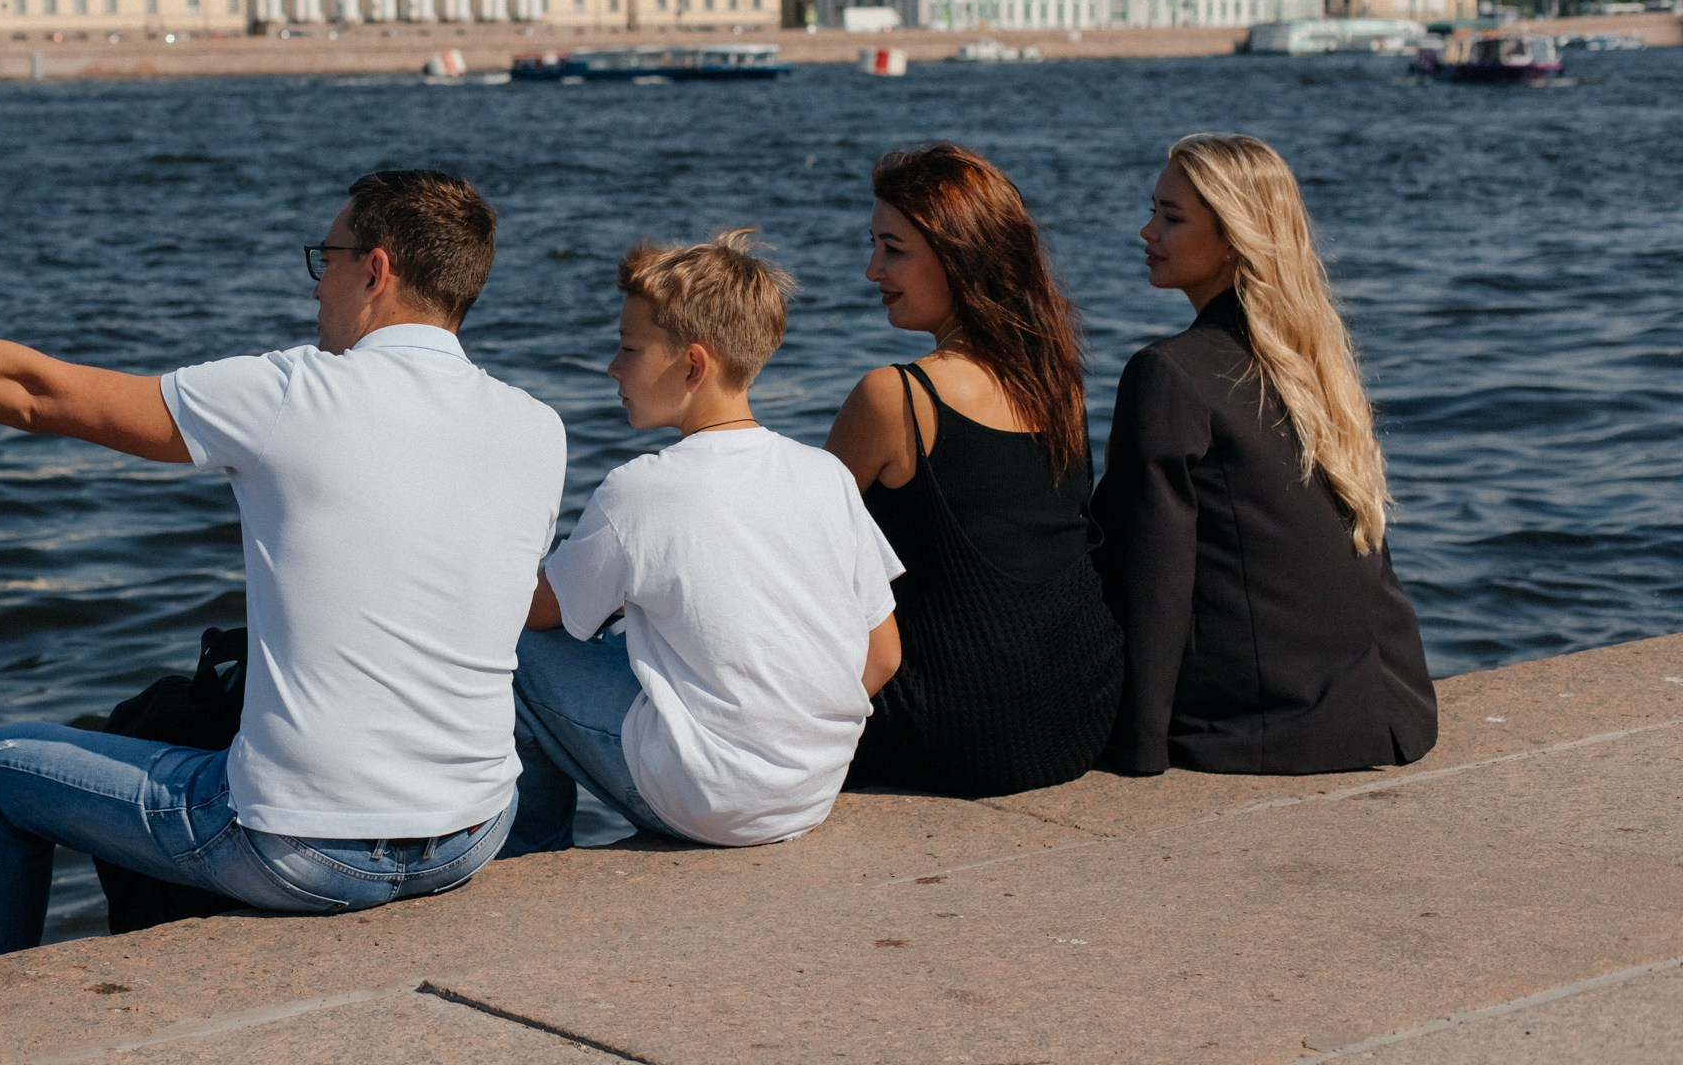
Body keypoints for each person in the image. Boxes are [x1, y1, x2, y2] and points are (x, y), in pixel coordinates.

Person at [0, 169, 566, 966]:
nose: (315, 283)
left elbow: (39, 393)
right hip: (471, 833)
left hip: (305, 852)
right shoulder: (538, 427)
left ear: (375, 270)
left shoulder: (295, 394)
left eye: (326, 258)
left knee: (3, 767)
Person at [506, 229, 904, 856]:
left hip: (710, 800)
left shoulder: (637, 490)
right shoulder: (824, 474)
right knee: (636, 633)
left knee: (516, 652)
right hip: (812, 789)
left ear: (692, 365)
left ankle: (524, 851)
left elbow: (533, 615)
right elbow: (882, 656)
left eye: (628, 349)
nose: (612, 367)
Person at [1093, 134, 1436, 775]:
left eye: (1171, 217)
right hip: (1384, 707)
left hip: (1264, 726)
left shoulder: (1168, 374)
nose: (1147, 231)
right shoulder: (1315, 362)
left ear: (1233, 238)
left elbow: (1154, 579)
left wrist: (1136, 749)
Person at [825, 145, 1123, 799]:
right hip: (1081, 710)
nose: (872, 269)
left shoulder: (893, 397)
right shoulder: (1056, 381)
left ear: (959, 254)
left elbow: (797, 560)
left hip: (955, 732)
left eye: (893, 248)